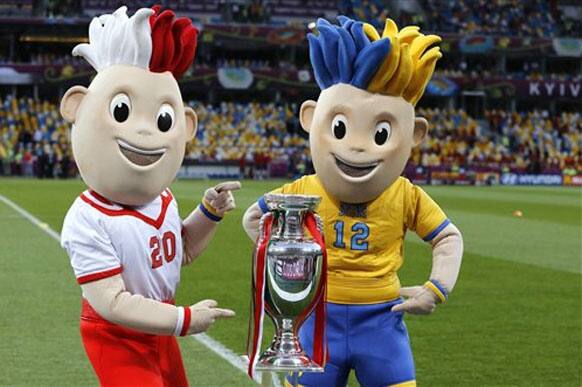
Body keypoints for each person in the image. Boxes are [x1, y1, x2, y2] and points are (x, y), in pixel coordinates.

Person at [243, 16, 463, 387]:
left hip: (381, 320)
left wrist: (436, 287)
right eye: (340, 128)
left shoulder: (405, 194)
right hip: (316, 321)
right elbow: (254, 219)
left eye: (381, 133)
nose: (357, 146)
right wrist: (289, 262)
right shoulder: (301, 192)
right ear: (311, 119)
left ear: (415, 135)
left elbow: (447, 237)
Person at [59, 6, 240, 386]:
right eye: (123, 111)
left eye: (162, 121)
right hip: (114, 333)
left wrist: (209, 213)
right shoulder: (87, 216)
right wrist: (183, 320)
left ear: (185, 125)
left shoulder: (163, 199)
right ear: (76, 107)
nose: (147, 134)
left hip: (158, 327)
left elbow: (179, 249)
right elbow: (112, 303)